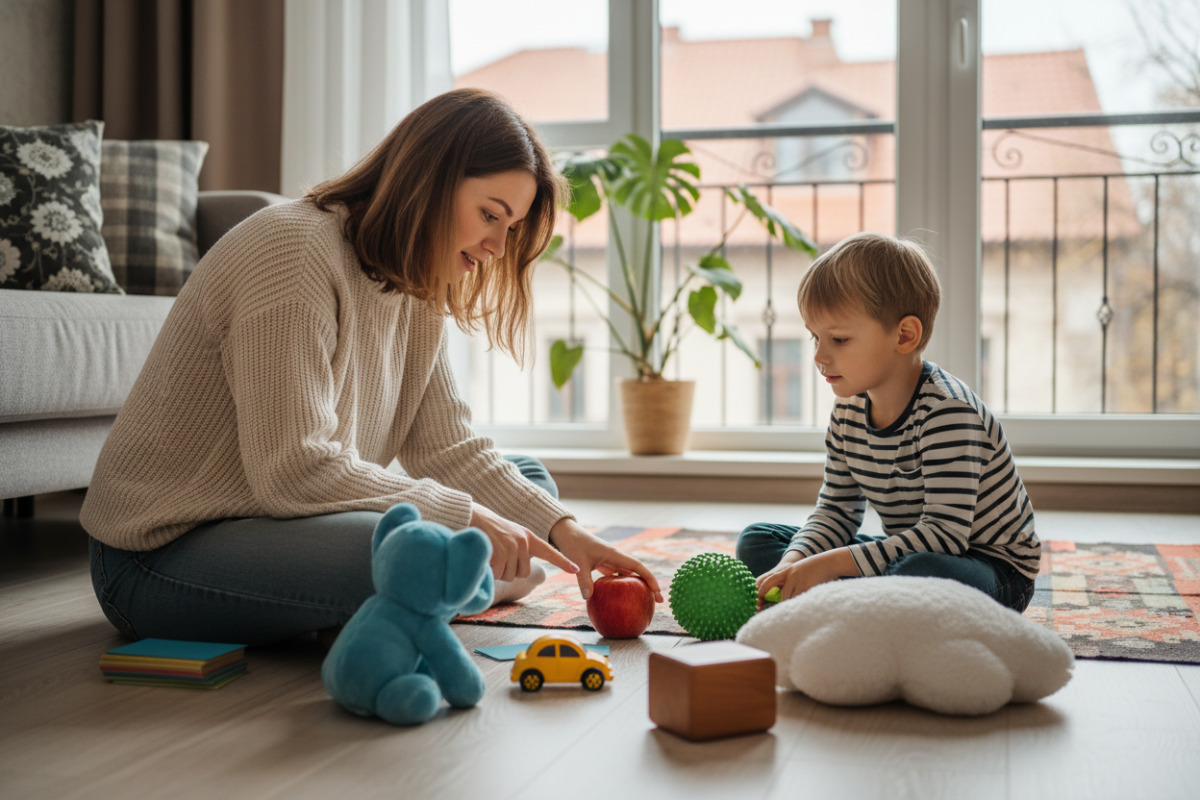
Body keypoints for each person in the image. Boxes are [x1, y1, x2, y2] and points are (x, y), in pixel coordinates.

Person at [80, 88, 663, 646]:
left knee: (525, 479)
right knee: (416, 546)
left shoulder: (416, 280)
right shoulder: (292, 251)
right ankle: (469, 579)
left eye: (509, 230)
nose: (496, 247)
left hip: (279, 522)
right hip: (157, 558)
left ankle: (450, 581)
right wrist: (467, 516)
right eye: (490, 214)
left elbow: (448, 449)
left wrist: (568, 533)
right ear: (429, 181)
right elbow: (294, 467)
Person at [738, 232, 1040, 612]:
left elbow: (944, 537)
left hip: (992, 570)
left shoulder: (948, 411)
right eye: (814, 337)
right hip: (912, 551)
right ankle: (856, 598)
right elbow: (836, 511)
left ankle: (843, 597)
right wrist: (793, 564)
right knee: (757, 542)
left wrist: (829, 564)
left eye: (839, 339)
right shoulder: (848, 409)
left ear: (904, 335)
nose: (818, 356)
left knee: (918, 569)